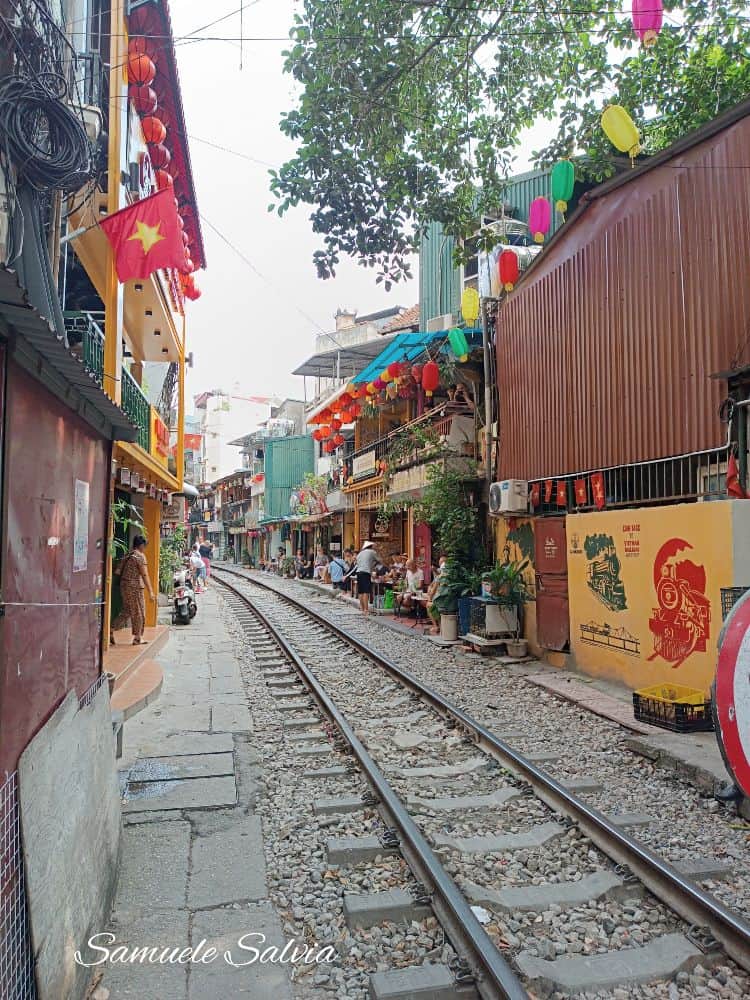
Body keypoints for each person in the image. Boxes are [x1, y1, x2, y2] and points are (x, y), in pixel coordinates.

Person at [111, 535, 155, 645]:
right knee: (139, 612)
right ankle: (137, 638)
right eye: (145, 546)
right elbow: (144, 575)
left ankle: (110, 630)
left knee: (127, 611)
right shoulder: (140, 556)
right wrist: (151, 591)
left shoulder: (127, 555)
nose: (145, 548)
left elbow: (117, 571)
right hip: (135, 588)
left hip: (124, 587)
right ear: (141, 545)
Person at [354, 540, 379, 615]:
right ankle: (366, 610)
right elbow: (379, 560)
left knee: (361, 591)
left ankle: (362, 609)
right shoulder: (372, 552)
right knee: (366, 591)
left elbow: (357, 563)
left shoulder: (360, 553)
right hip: (365, 573)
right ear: (371, 546)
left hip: (359, 572)